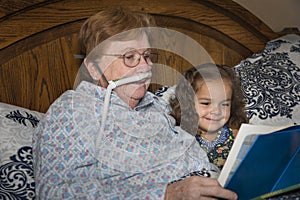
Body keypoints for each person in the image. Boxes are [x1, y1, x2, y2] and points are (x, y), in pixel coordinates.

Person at [32, 7, 238, 199]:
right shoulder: (72, 111)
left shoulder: (157, 106)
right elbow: (55, 192)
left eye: (147, 56)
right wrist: (166, 194)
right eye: (130, 57)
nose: (145, 67)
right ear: (94, 68)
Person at [170, 64, 248, 170]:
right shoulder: (179, 136)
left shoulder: (237, 135)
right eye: (206, 103)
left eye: (224, 104)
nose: (216, 111)